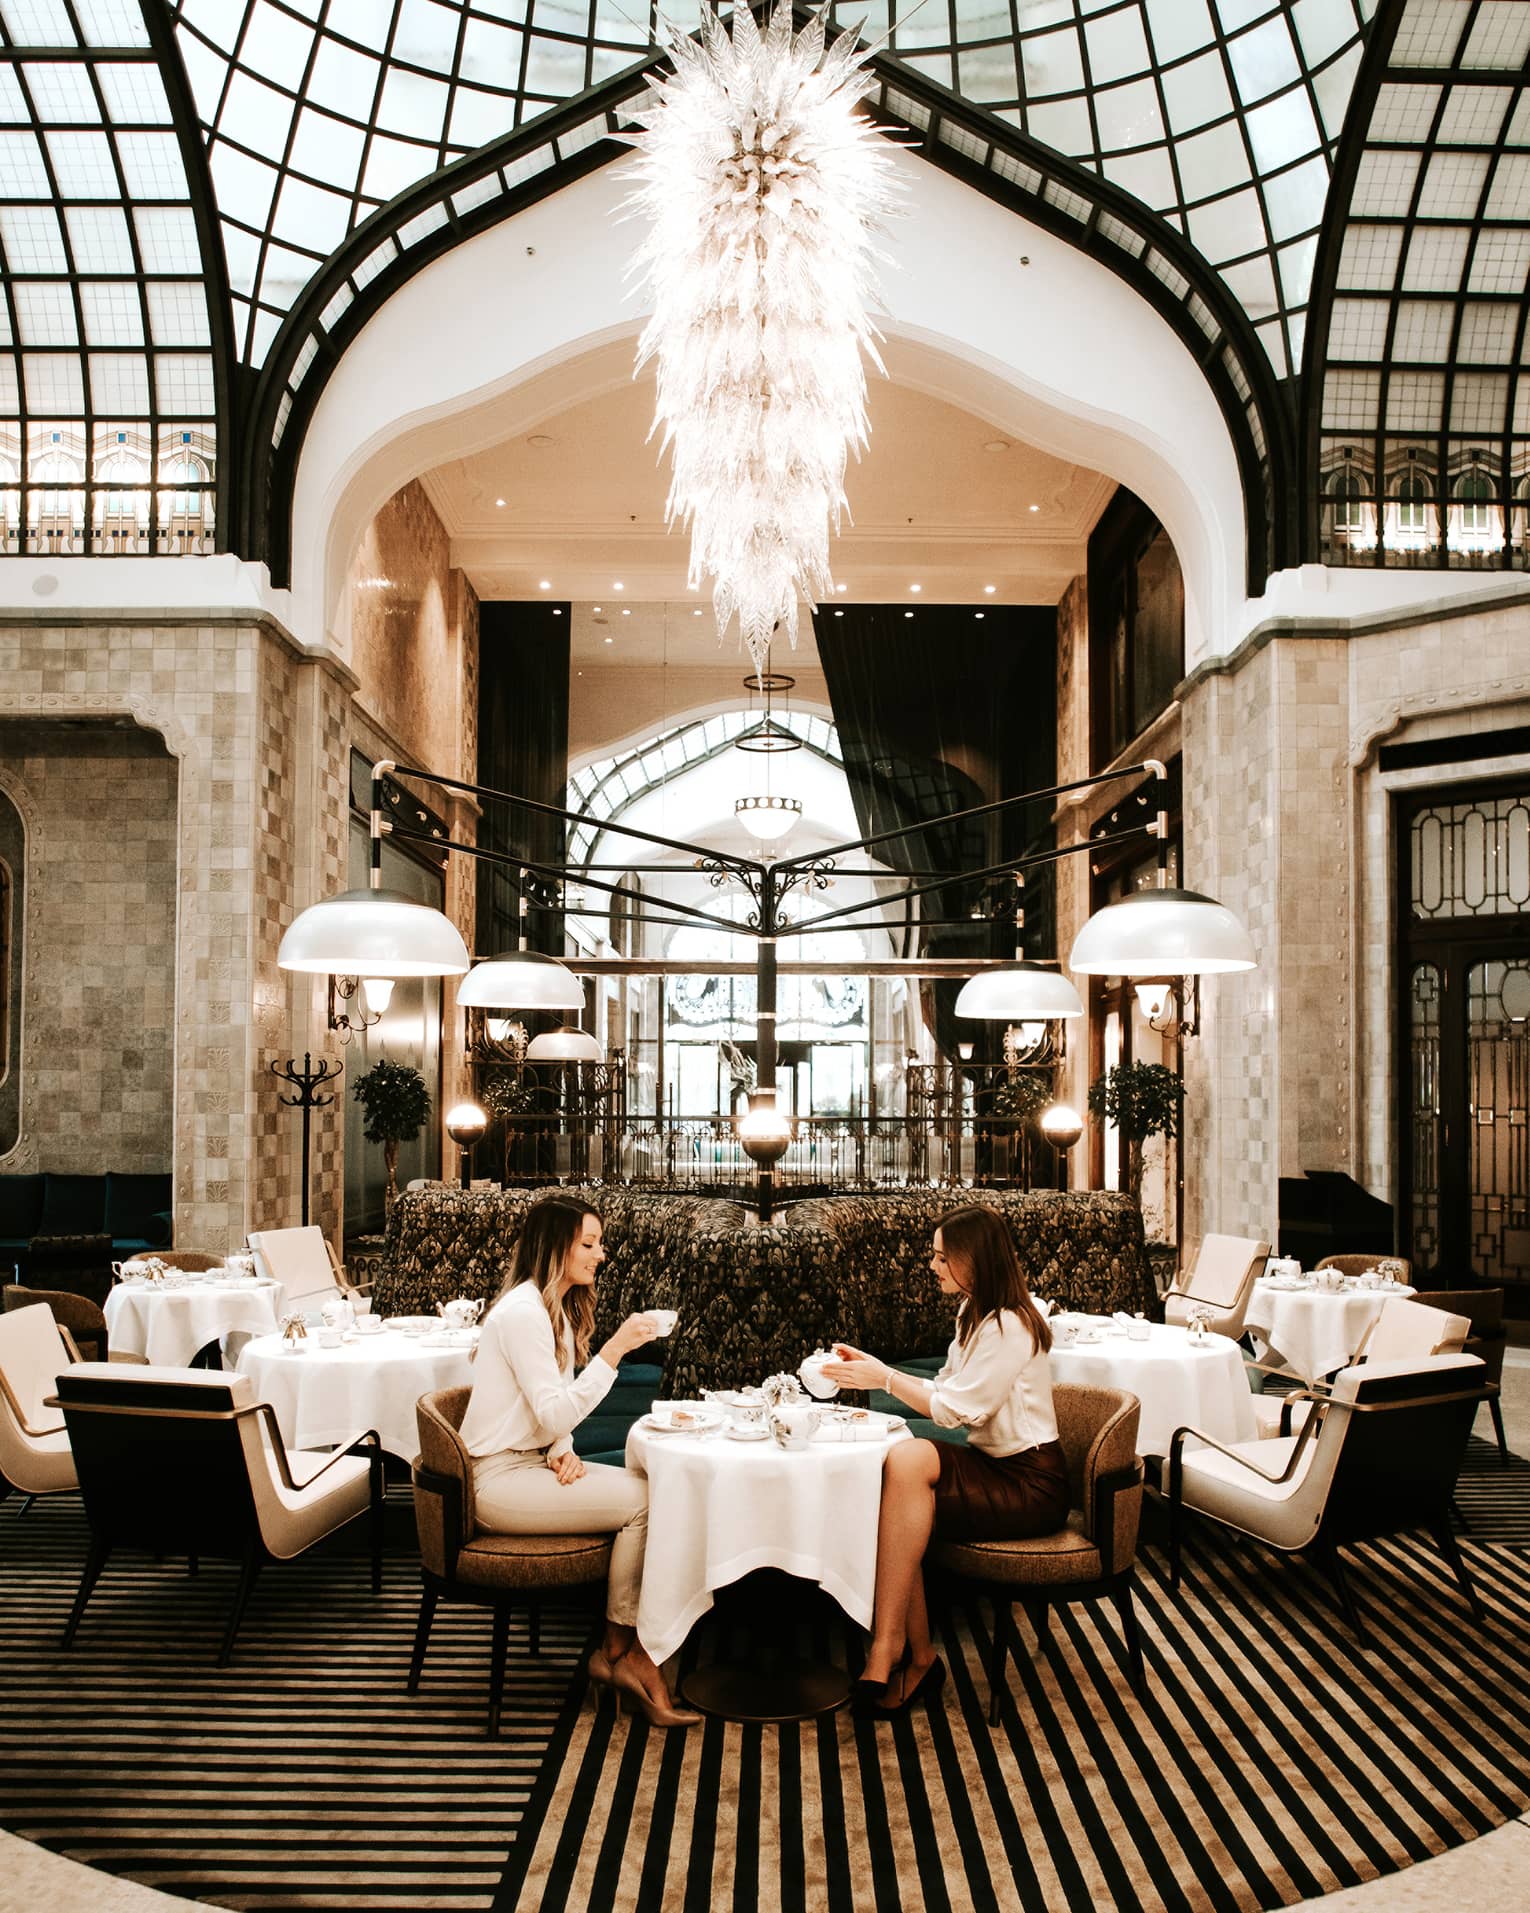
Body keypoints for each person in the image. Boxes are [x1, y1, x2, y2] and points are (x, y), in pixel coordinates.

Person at [457, 1193, 700, 1728]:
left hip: (526, 1464)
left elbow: (546, 1412)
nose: (601, 1254)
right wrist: (614, 1350)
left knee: (651, 1487)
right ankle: (619, 1652)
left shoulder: (553, 1312)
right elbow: (553, 1406)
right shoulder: (523, 1313)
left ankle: (623, 1653)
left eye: (599, 1242)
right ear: (554, 1248)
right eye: (589, 1244)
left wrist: (560, 1449)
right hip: (496, 1480)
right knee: (646, 1501)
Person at [821, 1204, 1067, 1717]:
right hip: (995, 1467)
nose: (932, 1266)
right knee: (902, 1465)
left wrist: (882, 1378)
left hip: (1030, 1483)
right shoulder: (973, 1314)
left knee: (907, 1463)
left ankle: (894, 1651)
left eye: (941, 1257)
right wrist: (878, 1369)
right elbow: (950, 1389)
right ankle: (910, 1654)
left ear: (973, 1262)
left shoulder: (1012, 1326)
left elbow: (954, 1411)